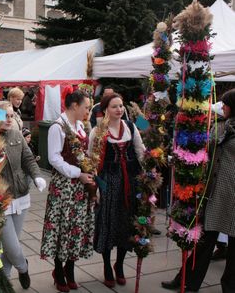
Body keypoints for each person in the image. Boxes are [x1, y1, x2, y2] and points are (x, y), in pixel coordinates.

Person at [161, 88, 235, 293]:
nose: (223, 107)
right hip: (216, 192)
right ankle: (186, 280)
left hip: (233, 192)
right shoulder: (219, 127)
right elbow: (205, 149)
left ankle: (230, 286)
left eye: (226, 104)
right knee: (204, 240)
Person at [40, 89, 95, 292]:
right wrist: (77, 173)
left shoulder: (80, 125)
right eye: (86, 107)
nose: (88, 110)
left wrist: (89, 172)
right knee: (62, 226)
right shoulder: (58, 127)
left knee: (76, 227)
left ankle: (70, 269)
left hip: (80, 186)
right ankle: (58, 269)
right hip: (64, 187)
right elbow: (54, 158)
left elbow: (84, 154)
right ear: (74, 105)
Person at [88, 92, 145, 288]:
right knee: (107, 222)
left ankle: (119, 264)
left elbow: (140, 150)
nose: (119, 109)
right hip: (108, 182)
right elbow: (91, 161)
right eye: (114, 106)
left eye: (121, 106)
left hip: (130, 180)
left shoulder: (130, 126)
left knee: (125, 222)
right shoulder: (97, 131)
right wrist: (96, 189)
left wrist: (151, 169)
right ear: (105, 110)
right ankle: (106, 265)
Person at [0, 101, 46, 289]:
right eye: (4, 115)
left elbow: (28, 158)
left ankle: (4, 281)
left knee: (10, 245)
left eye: (11, 115)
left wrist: (37, 176)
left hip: (21, 195)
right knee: (10, 245)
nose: (9, 119)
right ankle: (23, 267)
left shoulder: (16, 134)